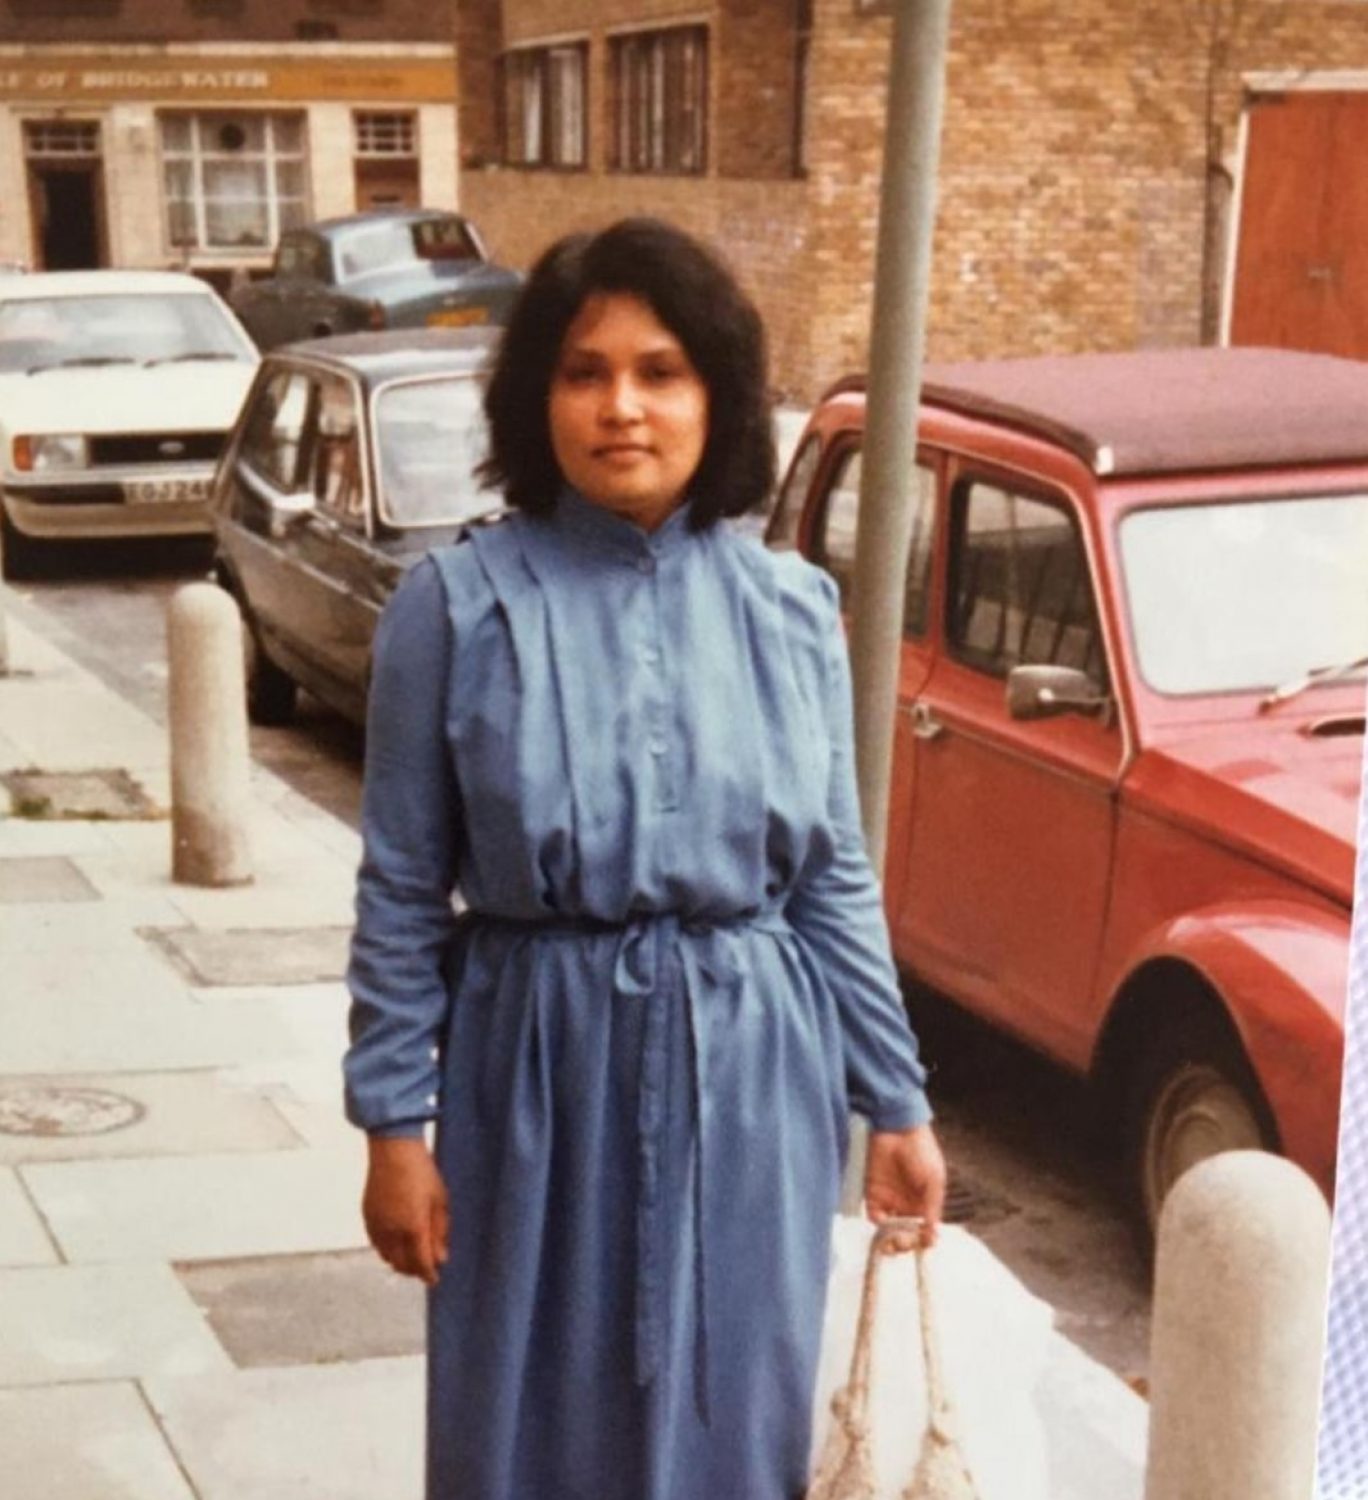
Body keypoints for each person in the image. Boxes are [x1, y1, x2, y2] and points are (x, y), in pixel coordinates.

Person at [344, 217, 947, 1500]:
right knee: (527, 1420)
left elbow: (831, 876)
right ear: (538, 398)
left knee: (734, 1410)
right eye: (586, 372)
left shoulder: (792, 612)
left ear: (717, 397)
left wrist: (897, 1102)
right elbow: (400, 886)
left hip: (752, 1081)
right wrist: (394, 1123)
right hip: (533, 1076)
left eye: (660, 372)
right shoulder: (455, 610)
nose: (622, 407)